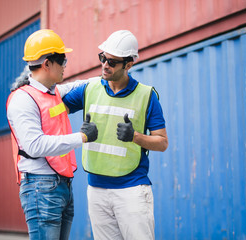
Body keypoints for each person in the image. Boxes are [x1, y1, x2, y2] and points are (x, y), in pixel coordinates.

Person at [63, 30, 169, 240]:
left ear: (128, 64)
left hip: (132, 190)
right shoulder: (89, 89)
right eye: (102, 58)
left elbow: (162, 142)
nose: (105, 65)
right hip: (96, 190)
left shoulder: (146, 95)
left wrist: (135, 137)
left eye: (112, 61)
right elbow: (55, 110)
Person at [6, 29, 98, 240]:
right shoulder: (23, 100)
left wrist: (106, 77)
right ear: (47, 63)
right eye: (62, 60)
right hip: (41, 188)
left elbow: (79, 86)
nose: (66, 65)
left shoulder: (52, 93)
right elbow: (34, 146)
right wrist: (81, 137)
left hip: (60, 186)